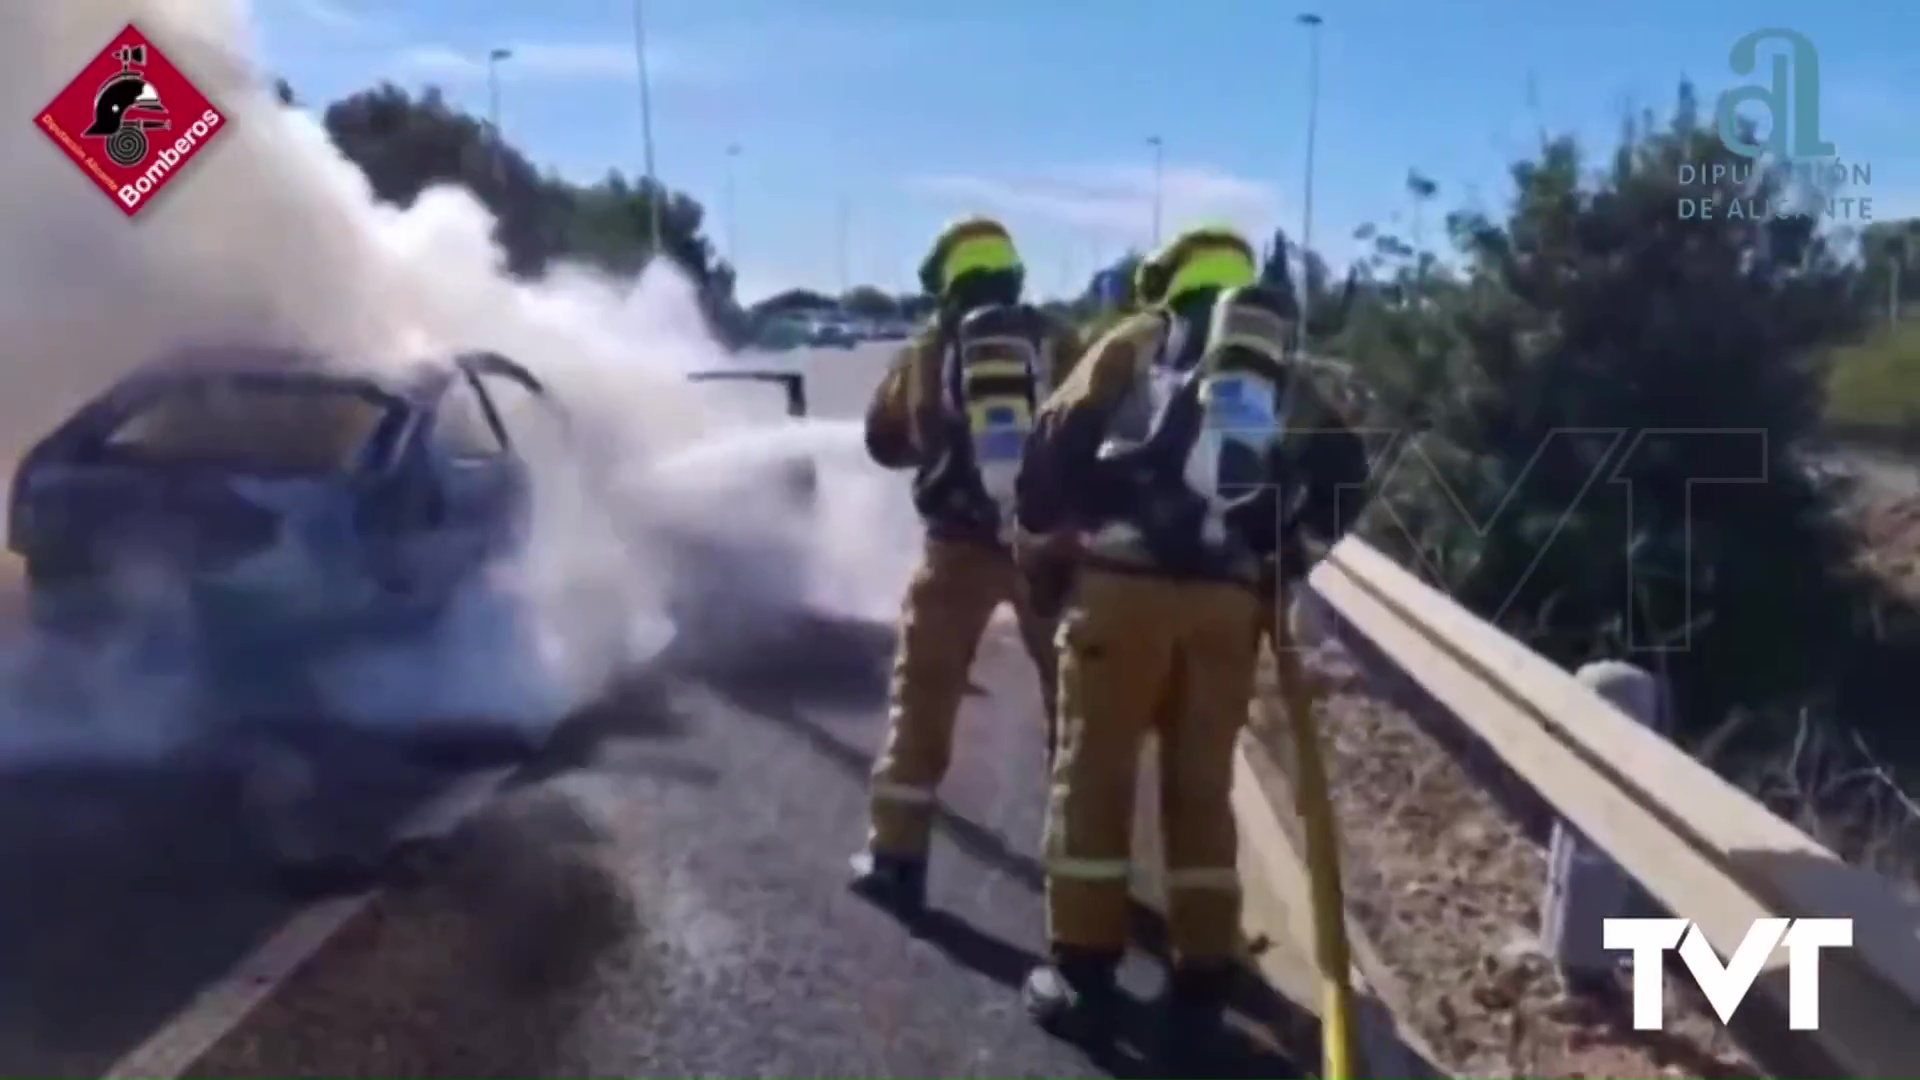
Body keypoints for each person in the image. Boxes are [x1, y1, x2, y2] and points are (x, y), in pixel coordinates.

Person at [1011, 225, 1370, 1056]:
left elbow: (1055, 441)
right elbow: (1345, 474)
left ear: (1166, 283)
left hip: (1123, 592)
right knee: (1201, 788)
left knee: (1095, 778)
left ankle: (1084, 975)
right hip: (1226, 607)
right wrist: (1286, 556)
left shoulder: (1140, 342)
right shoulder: (1279, 372)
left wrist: (1049, 532)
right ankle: (1204, 975)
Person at [850, 216, 1083, 916]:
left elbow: (882, 440)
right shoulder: (1059, 339)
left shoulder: (930, 347)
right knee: (1074, 704)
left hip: (955, 548)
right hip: (1045, 549)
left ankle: (896, 859)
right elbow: (1098, 431)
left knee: (923, 698)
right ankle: (1081, 867)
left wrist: (944, 442)